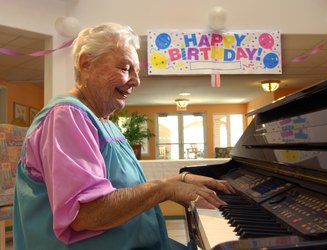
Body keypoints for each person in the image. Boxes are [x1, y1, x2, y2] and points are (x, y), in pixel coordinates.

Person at [13, 23, 235, 250]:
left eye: (136, 71)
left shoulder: (103, 121)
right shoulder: (66, 116)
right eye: (126, 67)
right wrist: (164, 189)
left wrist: (180, 180)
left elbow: (120, 190)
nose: (136, 80)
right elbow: (85, 213)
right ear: (86, 63)